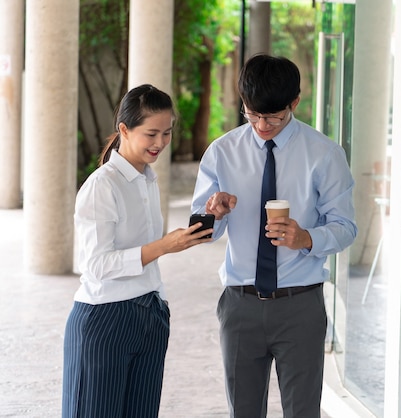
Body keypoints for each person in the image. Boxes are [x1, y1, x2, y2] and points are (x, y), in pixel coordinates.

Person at [191, 54, 358, 418]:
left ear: (294, 103)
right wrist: (212, 213)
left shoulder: (325, 154)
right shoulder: (222, 152)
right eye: (252, 114)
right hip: (240, 304)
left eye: (273, 116)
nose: (262, 125)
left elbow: (346, 227)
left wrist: (306, 239)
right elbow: (200, 231)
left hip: (300, 306)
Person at [62, 84, 212, 418]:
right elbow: (97, 264)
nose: (160, 143)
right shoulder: (102, 186)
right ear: (125, 130)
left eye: (168, 133)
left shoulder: (147, 179)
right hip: (105, 319)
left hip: (150, 315)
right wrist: (163, 247)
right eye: (151, 134)